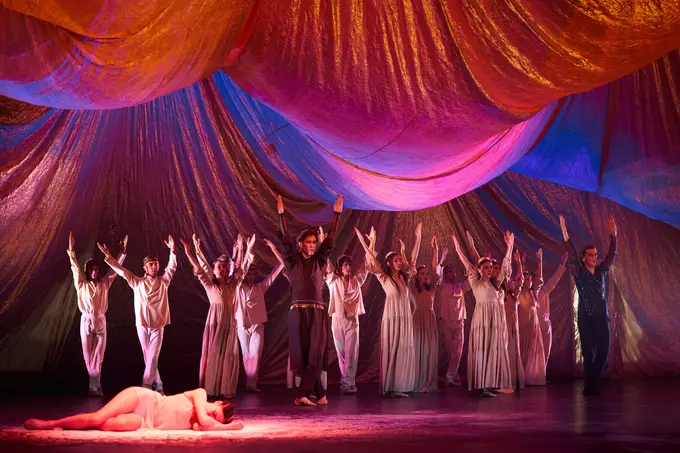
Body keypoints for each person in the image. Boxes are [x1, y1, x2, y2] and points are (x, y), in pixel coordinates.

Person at [270, 194, 343, 406]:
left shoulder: (320, 260)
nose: (312, 245)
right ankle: (320, 394)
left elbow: (330, 238)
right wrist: (281, 214)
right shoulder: (292, 261)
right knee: (303, 356)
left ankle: (303, 394)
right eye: (308, 242)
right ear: (301, 244)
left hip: (316, 311)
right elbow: (285, 239)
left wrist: (336, 215)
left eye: (314, 242)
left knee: (316, 354)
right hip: (298, 312)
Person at [98, 236, 177, 394]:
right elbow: (122, 271)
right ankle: (159, 387)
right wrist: (109, 257)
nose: (154, 267)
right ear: (145, 267)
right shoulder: (138, 282)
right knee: (149, 358)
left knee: (153, 357)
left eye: (156, 264)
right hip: (142, 325)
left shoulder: (163, 281)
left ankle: (146, 387)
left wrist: (173, 251)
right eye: (151, 264)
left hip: (158, 325)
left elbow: (172, 267)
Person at [181, 234, 254, 398]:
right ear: (214, 270)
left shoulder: (233, 284)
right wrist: (190, 252)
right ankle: (211, 388)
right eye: (219, 267)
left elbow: (242, 269)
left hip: (228, 322)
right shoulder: (210, 284)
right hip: (215, 321)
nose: (223, 269)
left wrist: (246, 249)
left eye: (226, 267)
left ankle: (225, 388)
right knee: (214, 353)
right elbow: (200, 269)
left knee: (228, 354)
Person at [355, 223, 422, 397]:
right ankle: (392, 386)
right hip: (392, 317)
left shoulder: (405, 278)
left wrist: (418, 238)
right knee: (394, 347)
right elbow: (372, 261)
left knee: (404, 347)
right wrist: (369, 242)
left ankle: (401, 385)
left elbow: (413, 259)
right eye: (396, 260)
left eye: (400, 260)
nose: (399, 262)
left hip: (404, 317)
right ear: (390, 263)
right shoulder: (384, 278)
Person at [560, 214, 617, 395]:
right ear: (584, 257)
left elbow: (611, 256)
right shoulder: (579, 272)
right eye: (590, 255)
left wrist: (613, 236)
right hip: (586, 319)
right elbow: (571, 254)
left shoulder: (601, 271)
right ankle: (590, 387)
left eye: (595, 255)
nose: (594, 257)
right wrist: (565, 234)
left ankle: (591, 383)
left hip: (601, 318)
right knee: (588, 354)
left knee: (603, 353)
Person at [451, 231, 513, 397]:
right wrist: (457, 248)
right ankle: (483, 385)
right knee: (483, 348)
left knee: (494, 348)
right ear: (479, 269)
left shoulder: (496, 283)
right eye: (486, 267)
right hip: (482, 319)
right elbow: (466, 263)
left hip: (494, 319)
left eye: (491, 267)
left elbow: (505, 266)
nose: (489, 270)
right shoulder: (475, 281)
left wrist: (509, 247)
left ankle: (493, 383)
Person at [67, 232, 127, 396]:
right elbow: (75, 268)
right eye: (91, 269)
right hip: (86, 321)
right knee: (88, 357)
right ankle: (95, 386)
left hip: (100, 320)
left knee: (99, 355)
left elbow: (114, 271)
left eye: (96, 269)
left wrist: (122, 253)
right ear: (87, 271)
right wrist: (72, 250)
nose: (94, 272)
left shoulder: (104, 283)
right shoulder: (82, 284)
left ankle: (95, 387)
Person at [24, 387, 242, 431]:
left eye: (215, 419)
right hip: (145, 400)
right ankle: (50, 424)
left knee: (103, 425)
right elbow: (203, 420)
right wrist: (228, 427)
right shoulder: (201, 394)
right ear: (218, 403)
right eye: (215, 413)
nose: (211, 416)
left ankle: (73, 426)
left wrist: (223, 426)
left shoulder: (202, 423)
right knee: (97, 418)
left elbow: (200, 426)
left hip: (145, 422)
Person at [236, 253, 284, 393]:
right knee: (246, 354)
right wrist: (242, 250)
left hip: (257, 325)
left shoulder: (260, 287)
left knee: (255, 354)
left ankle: (252, 383)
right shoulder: (238, 287)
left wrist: (280, 260)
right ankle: (248, 382)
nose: (251, 276)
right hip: (242, 325)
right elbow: (237, 272)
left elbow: (273, 276)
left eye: (253, 274)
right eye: (248, 274)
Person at [325, 254, 369, 394]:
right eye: (345, 265)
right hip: (337, 319)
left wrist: (371, 245)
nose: (348, 267)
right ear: (339, 267)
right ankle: (346, 382)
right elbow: (328, 266)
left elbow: (366, 267)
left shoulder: (356, 281)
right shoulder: (333, 280)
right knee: (341, 353)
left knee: (351, 353)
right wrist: (324, 247)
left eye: (350, 265)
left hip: (352, 320)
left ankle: (348, 383)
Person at [434, 248, 470, 387]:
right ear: (446, 273)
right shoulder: (441, 285)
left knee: (458, 351)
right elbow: (437, 274)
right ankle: (454, 375)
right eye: (450, 271)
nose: (453, 274)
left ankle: (450, 376)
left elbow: (472, 278)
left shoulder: (461, 286)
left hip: (459, 321)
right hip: (446, 321)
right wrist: (442, 259)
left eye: (454, 272)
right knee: (452, 352)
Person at [409, 236, 440, 393]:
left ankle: (428, 380)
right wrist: (418, 238)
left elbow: (435, 270)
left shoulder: (431, 287)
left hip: (429, 319)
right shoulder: (412, 287)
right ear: (417, 275)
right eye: (422, 273)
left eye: (426, 273)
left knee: (429, 350)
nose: (425, 275)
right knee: (418, 349)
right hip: (417, 318)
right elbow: (411, 265)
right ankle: (416, 380)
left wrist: (435, 249)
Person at [517, 250, 547, 385]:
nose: (529, 282)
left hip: (533, 326)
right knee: (523, 349)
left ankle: (532, 376)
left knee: (532, 351)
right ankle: (522, 376)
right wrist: (521, 263)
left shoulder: (533, 292)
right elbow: (520, 276)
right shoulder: (518, 292)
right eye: (527, 279)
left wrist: (540, 260)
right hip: (523, 325)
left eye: (530, 279)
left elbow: (539, 279)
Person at [535, 252, 569, 369]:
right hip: (534, 327)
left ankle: (542, 373)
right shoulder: (528, 293)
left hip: (545, 326)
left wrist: (562, 264)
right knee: (535, 354)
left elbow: (555, 279)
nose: (539, 280)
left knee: (545, 353)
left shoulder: (544, 290)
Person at [503, 249, 526, 390]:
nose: (511, 282)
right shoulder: (500, 293)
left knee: (513, 348)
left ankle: (514, 377)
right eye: (508, 280)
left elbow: (521, 279)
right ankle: (505, 378)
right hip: (503, 323)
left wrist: (519, 263)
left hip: (513, 323)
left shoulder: (515, 293)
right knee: (505, 348)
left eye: (511, 280)